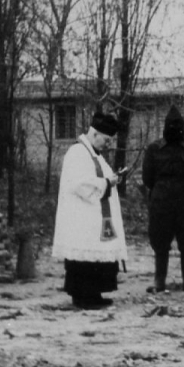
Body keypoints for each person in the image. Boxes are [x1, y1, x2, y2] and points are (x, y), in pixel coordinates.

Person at [52, 112, 127, 309]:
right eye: (107, 139)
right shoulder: (77, 153)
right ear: (94, 134)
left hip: (94, 218)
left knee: (95, 260)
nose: (108, 144)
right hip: (81, 219)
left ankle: (94, 295)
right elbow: (80, 185)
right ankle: (83, 297)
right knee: (84, 261)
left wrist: (112, 179)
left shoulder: (94, 154)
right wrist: (106, 182)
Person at [142, 105, 184, 293]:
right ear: (165, 127)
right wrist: (162, 189)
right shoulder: (154, 148)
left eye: (178, 125)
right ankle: (159, 281)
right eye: (171, 125)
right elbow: (147, 177)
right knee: (160, 241)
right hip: (161, 203)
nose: (175, 128)